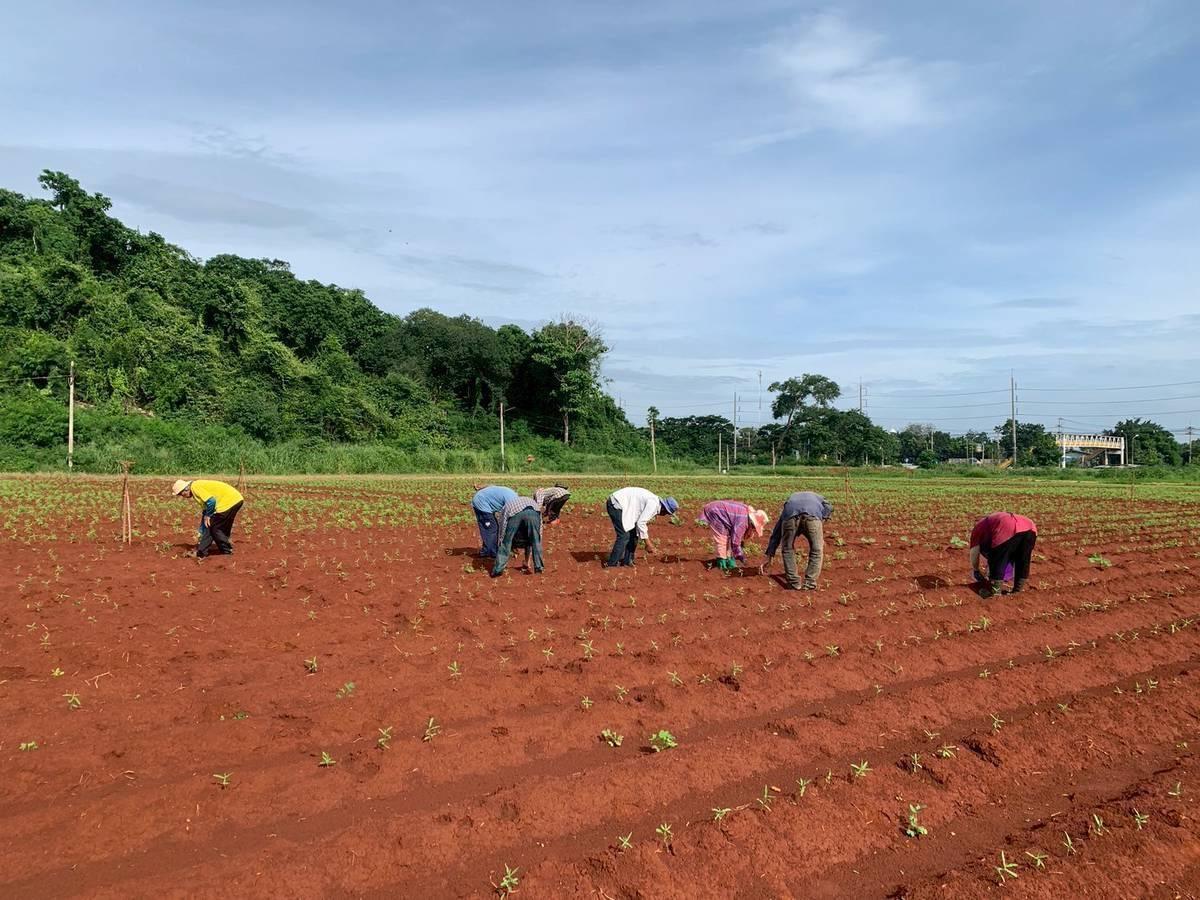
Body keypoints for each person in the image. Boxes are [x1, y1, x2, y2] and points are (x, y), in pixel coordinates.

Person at [760, 491, 833, 589]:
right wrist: (822, 518)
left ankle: (794, 583)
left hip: (790, 515)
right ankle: (810, 583)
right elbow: (829, 507)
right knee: (817, 550)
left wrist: (770, 555)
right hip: (813, 516)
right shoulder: (819, 498)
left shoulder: (791, 501)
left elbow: (776, 532)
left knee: (787, 549)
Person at [604, 487, 678, 567]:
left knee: (634, 534)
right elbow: (641, 523)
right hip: (616, 504)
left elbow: (639, 522)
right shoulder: (653, 504)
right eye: (667, 513)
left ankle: (627, 561)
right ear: (664, 510)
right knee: (624, 536)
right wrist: (648, 543)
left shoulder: (655, 502)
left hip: (622, 504)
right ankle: (611, 564)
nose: (664, 515)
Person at [970, 511, 1037, 597]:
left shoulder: (977, 529)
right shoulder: (990, 522)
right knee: (1023, 559)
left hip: (1007, 525)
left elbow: (974, 552)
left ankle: (995, 592)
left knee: (998, 559)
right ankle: (1018, 591)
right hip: (1030, 527)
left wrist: (976, 570)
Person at [172, 479, 244, 558]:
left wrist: (208, 516)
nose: (183, 497)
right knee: (219, 525)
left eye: (182, 494)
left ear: (186, 489)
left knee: (212, 526)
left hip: (228, 502)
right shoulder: (196, 486)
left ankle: (207, 552)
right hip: (236, 499)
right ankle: (223, 547)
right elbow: (205, 511)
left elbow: (211, 501)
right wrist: (201, 530)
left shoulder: (195, 487)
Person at [697, 500, 769, 570]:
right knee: (722, 538)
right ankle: (721, 562)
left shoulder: (747, 516)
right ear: (752, 523)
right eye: (754, 528)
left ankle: (729, 559)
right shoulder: (742, 523)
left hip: (720, 511)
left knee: (729, 537)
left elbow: (734, 537)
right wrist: (740, 556)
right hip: (715, 512)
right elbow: (735, 541)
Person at [491, 495, 544, 576]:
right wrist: (538, 538)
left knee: (506, 542)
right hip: (534, 512)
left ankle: (498, 570)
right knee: (535, 541)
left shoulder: (506, 506)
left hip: (515, 513)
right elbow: (539, 526)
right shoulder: (531, 501)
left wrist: (502, 538)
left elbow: (503, 524)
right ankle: (539, 568)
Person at [471, 484, 517, 558]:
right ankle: (490, 552)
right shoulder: (512, 501)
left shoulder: (513, 495)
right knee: (491, 528)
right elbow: (505, 519)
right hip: (481, 502)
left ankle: (488, 550)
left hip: (483, 500)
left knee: (493, 527)